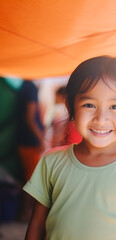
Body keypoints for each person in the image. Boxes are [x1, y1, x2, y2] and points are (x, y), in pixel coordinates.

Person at [23, 56, 116, 240]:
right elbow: (37, 224)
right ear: (71, 107)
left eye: (115, 106)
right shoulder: (51, 162)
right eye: (89, 105)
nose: (101, 118)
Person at [16, 79, 45, 221]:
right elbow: (30, 118)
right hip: (30, 142)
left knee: (29, 178)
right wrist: (41, 139)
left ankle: (24, 213)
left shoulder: (24, 86)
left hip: (24, 140)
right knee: (32, 180)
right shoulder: (31, 87)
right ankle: (25, 214)